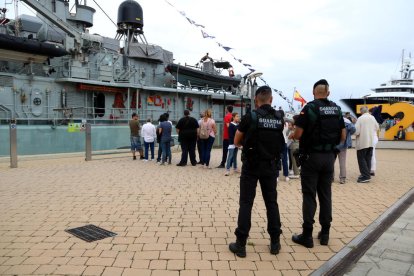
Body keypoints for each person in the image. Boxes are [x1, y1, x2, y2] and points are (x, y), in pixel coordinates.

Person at [229, 86, 285, 257]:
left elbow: (236, 140)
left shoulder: (250, 117)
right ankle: (275, 243)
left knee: (246, 203)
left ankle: (241, 244)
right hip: (270, 166)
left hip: (252, 166)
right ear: (271, 99)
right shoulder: (279, 118)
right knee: (271, 203)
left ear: (255, 100)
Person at [291, 79, 345, 248]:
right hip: (329, 158)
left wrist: (292, 134)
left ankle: (307, 235)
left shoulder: (309, 108)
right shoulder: (336, 109)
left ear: (314, 93)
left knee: (309, 195)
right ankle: (325, 233)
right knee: (326, 195)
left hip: (311, 158)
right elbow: (343, 136)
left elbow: (298, 134)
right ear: (328, 93)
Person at [354, 106, 379, 183]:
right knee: (368, 158)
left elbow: (356, 131)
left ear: (362, 111)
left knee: (361, 159)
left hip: (363, 141)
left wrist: (355, 134)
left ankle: (365, 176)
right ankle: (367, 174)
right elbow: (377, 127)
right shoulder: (372, 117)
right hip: (371, 141)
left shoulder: (360, 118)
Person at [336, 115, 356, 184]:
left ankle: (330, 178)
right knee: (342, 162)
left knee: (331, 162)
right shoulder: (347, 121)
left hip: (333, 144)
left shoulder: (333, 119)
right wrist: (348, 134)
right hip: (343, 144)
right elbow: (353, 129)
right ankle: (342, 178)